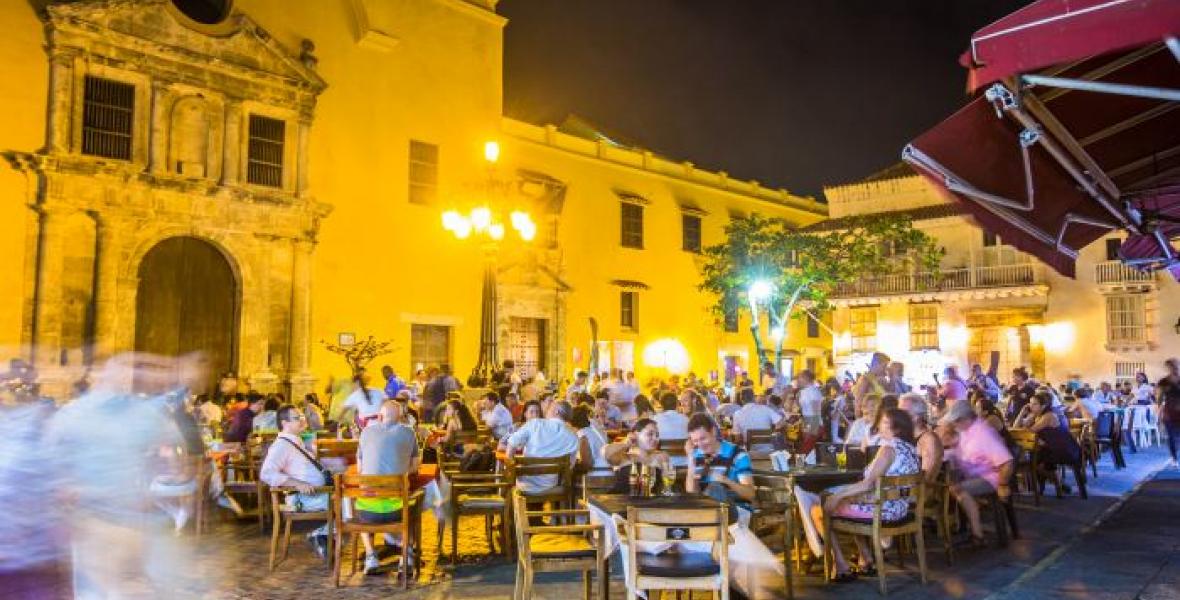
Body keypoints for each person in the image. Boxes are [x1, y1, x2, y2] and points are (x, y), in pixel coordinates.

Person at [797, 409, 920, 582]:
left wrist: (837, 497)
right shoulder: (911, 449)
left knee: (818, 510)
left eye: (884, 422)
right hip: (900, 508)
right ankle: (866, 558)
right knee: (850, 503)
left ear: (897, 428)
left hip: (882, 510)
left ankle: (840, 565)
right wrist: (844, 496)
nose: (878, 426)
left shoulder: (888, 449)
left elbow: (867, 484)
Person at [354, 399, 419, 574]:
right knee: (414, 504)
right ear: (401, 417)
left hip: (367, 513)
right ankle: (407, 555)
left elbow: (360, 469)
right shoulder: (409, 432)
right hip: (397, 511)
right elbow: (414, 468)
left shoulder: (366, 432)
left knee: (360, 501)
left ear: (380, 416)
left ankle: (370, 556)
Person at [260, 405, 331, 557]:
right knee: (347, 502)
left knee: (347, 500)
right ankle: (320, 534)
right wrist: (297, 484)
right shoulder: (281, 446)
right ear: (284, 423)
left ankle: (323, 534)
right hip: (304, 498)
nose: (303, 420)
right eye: (297, 418)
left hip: (316, 494)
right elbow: (266, 474)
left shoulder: (294, 442)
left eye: (302, 417)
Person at [941, 400, 1014, 547]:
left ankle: (977, 535)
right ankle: (966, 521)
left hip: (991, 477)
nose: (954, 425)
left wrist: (1003, 485)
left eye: (956, 421)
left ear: (966, 419)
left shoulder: (983, 433)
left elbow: (1007, 462)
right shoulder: (966, 431)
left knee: (958, 489)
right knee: (948, 485)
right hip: (974, 474)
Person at [504, 400, 580, 493]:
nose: (546, 410)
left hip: (524, 484)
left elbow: (511, 443)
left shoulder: (535, 423)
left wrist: (510, 469)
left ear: (556, 411)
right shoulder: (573, 437)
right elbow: (570, 466)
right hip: (550, 485)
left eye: (550, 407)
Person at [685, 413, 755, 505]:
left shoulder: (737, 454)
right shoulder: (696, 455)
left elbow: (750, 494)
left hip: (736, 510)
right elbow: (692, 493)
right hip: (706, 513)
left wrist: (727, 481)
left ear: (713, 432)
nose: (700, 445)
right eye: (695, 441)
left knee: (715, 488)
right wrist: (691, 461)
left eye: (703, 439)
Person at [603, 417, 675, 494]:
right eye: (650, 434)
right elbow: (606, 453)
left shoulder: (661, 456)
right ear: (636, 434)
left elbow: (667, 486)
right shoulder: (623, 456)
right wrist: (626, 444)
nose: (655, 438)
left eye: (657, 435)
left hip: (648, 502)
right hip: (620, 500)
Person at [899, 393, 943, 484]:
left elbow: (927, 478)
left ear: (917, 416)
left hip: (918, 492)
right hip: (899, 488)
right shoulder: (904, 436)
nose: (897, 417)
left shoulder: (929, 440)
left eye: (902, 413)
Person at [571, 404, 610, 472]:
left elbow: (587, 465)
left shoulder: (583, 436)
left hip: (597, 473)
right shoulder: (594, 429)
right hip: (607, 468)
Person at [1157, 358, 1180, 465]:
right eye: (1171, 366)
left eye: (1175, 366)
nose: (1174, 368)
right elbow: (1159, 398)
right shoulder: (1163, 382)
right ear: (1168, 368)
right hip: (1169, 413)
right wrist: (1160, 412)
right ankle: (1174, 458)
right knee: (1171, 436)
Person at [796, 370, 825, 436]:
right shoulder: (803, 391)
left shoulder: (813, 392)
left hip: (813, 426)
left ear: (806, 378)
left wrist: (812, 430)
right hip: (808, 424)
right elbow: (803, 408)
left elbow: (816, 411)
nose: (798, 380)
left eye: (799, 378)